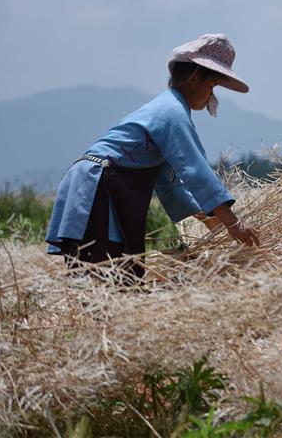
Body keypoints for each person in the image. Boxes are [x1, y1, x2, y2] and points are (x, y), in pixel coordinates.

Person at [45, 34, 260, 277]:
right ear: (195, 77)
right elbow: (196, 171)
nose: (211, 95)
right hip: (101, 184)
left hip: (98, 181)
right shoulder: (172, 113)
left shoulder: (167, 109)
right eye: (211, 86)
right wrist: (234, 225)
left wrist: (212, 223)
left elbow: (170, 185)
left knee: (117, 272)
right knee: (108, 273)